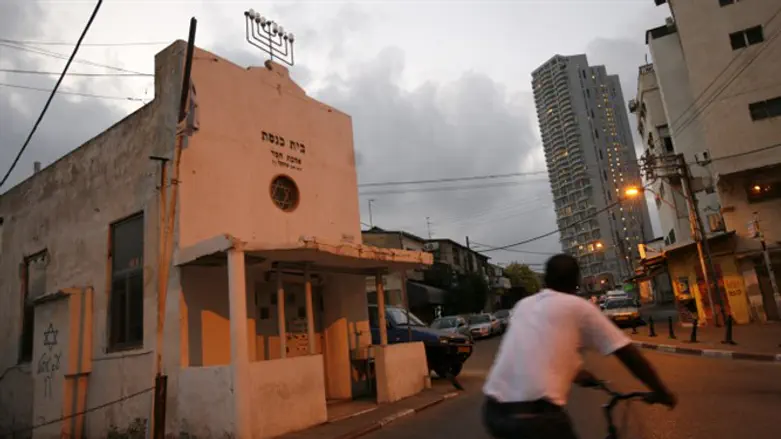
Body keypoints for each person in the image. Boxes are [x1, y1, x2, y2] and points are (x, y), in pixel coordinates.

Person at [482, 254, 677, 439]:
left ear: (545, 281)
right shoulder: (578, 306)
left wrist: (580, 374)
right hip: (537, 418)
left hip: (494, 412)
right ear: (576, 282)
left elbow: (538, 349)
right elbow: (628, 354)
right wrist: (661, 392)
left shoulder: (523, 305)